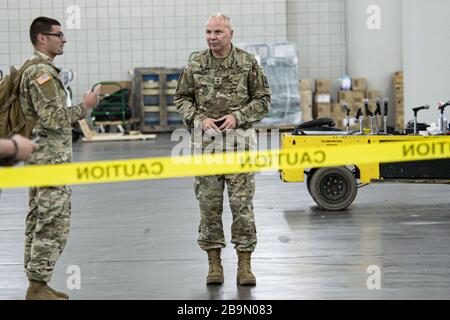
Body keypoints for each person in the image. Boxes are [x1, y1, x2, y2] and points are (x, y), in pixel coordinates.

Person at [174, 13, 271, 286]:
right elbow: (181, 97)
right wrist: (198, 119)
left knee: (242, 206)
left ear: (230, 33)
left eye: (217, 32)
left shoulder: (246, 62)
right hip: (205, 146)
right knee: (208, 206)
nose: (212, 37)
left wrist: (238, 117)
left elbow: (263, 99)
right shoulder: (195, 62)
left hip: (239, 144)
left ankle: (244, 266)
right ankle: (214, 264)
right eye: (208, 32)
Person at [19, 17, 100, 300]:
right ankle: (38, 286)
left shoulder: (33, 69)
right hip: (49, 160)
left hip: (39, 158)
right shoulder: (41, 73)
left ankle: (37, 282)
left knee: (38, 217)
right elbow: (53, 118)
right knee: (53, 221)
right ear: (42, 38)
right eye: (58, 34)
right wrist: (85, 106)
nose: (63, 39)